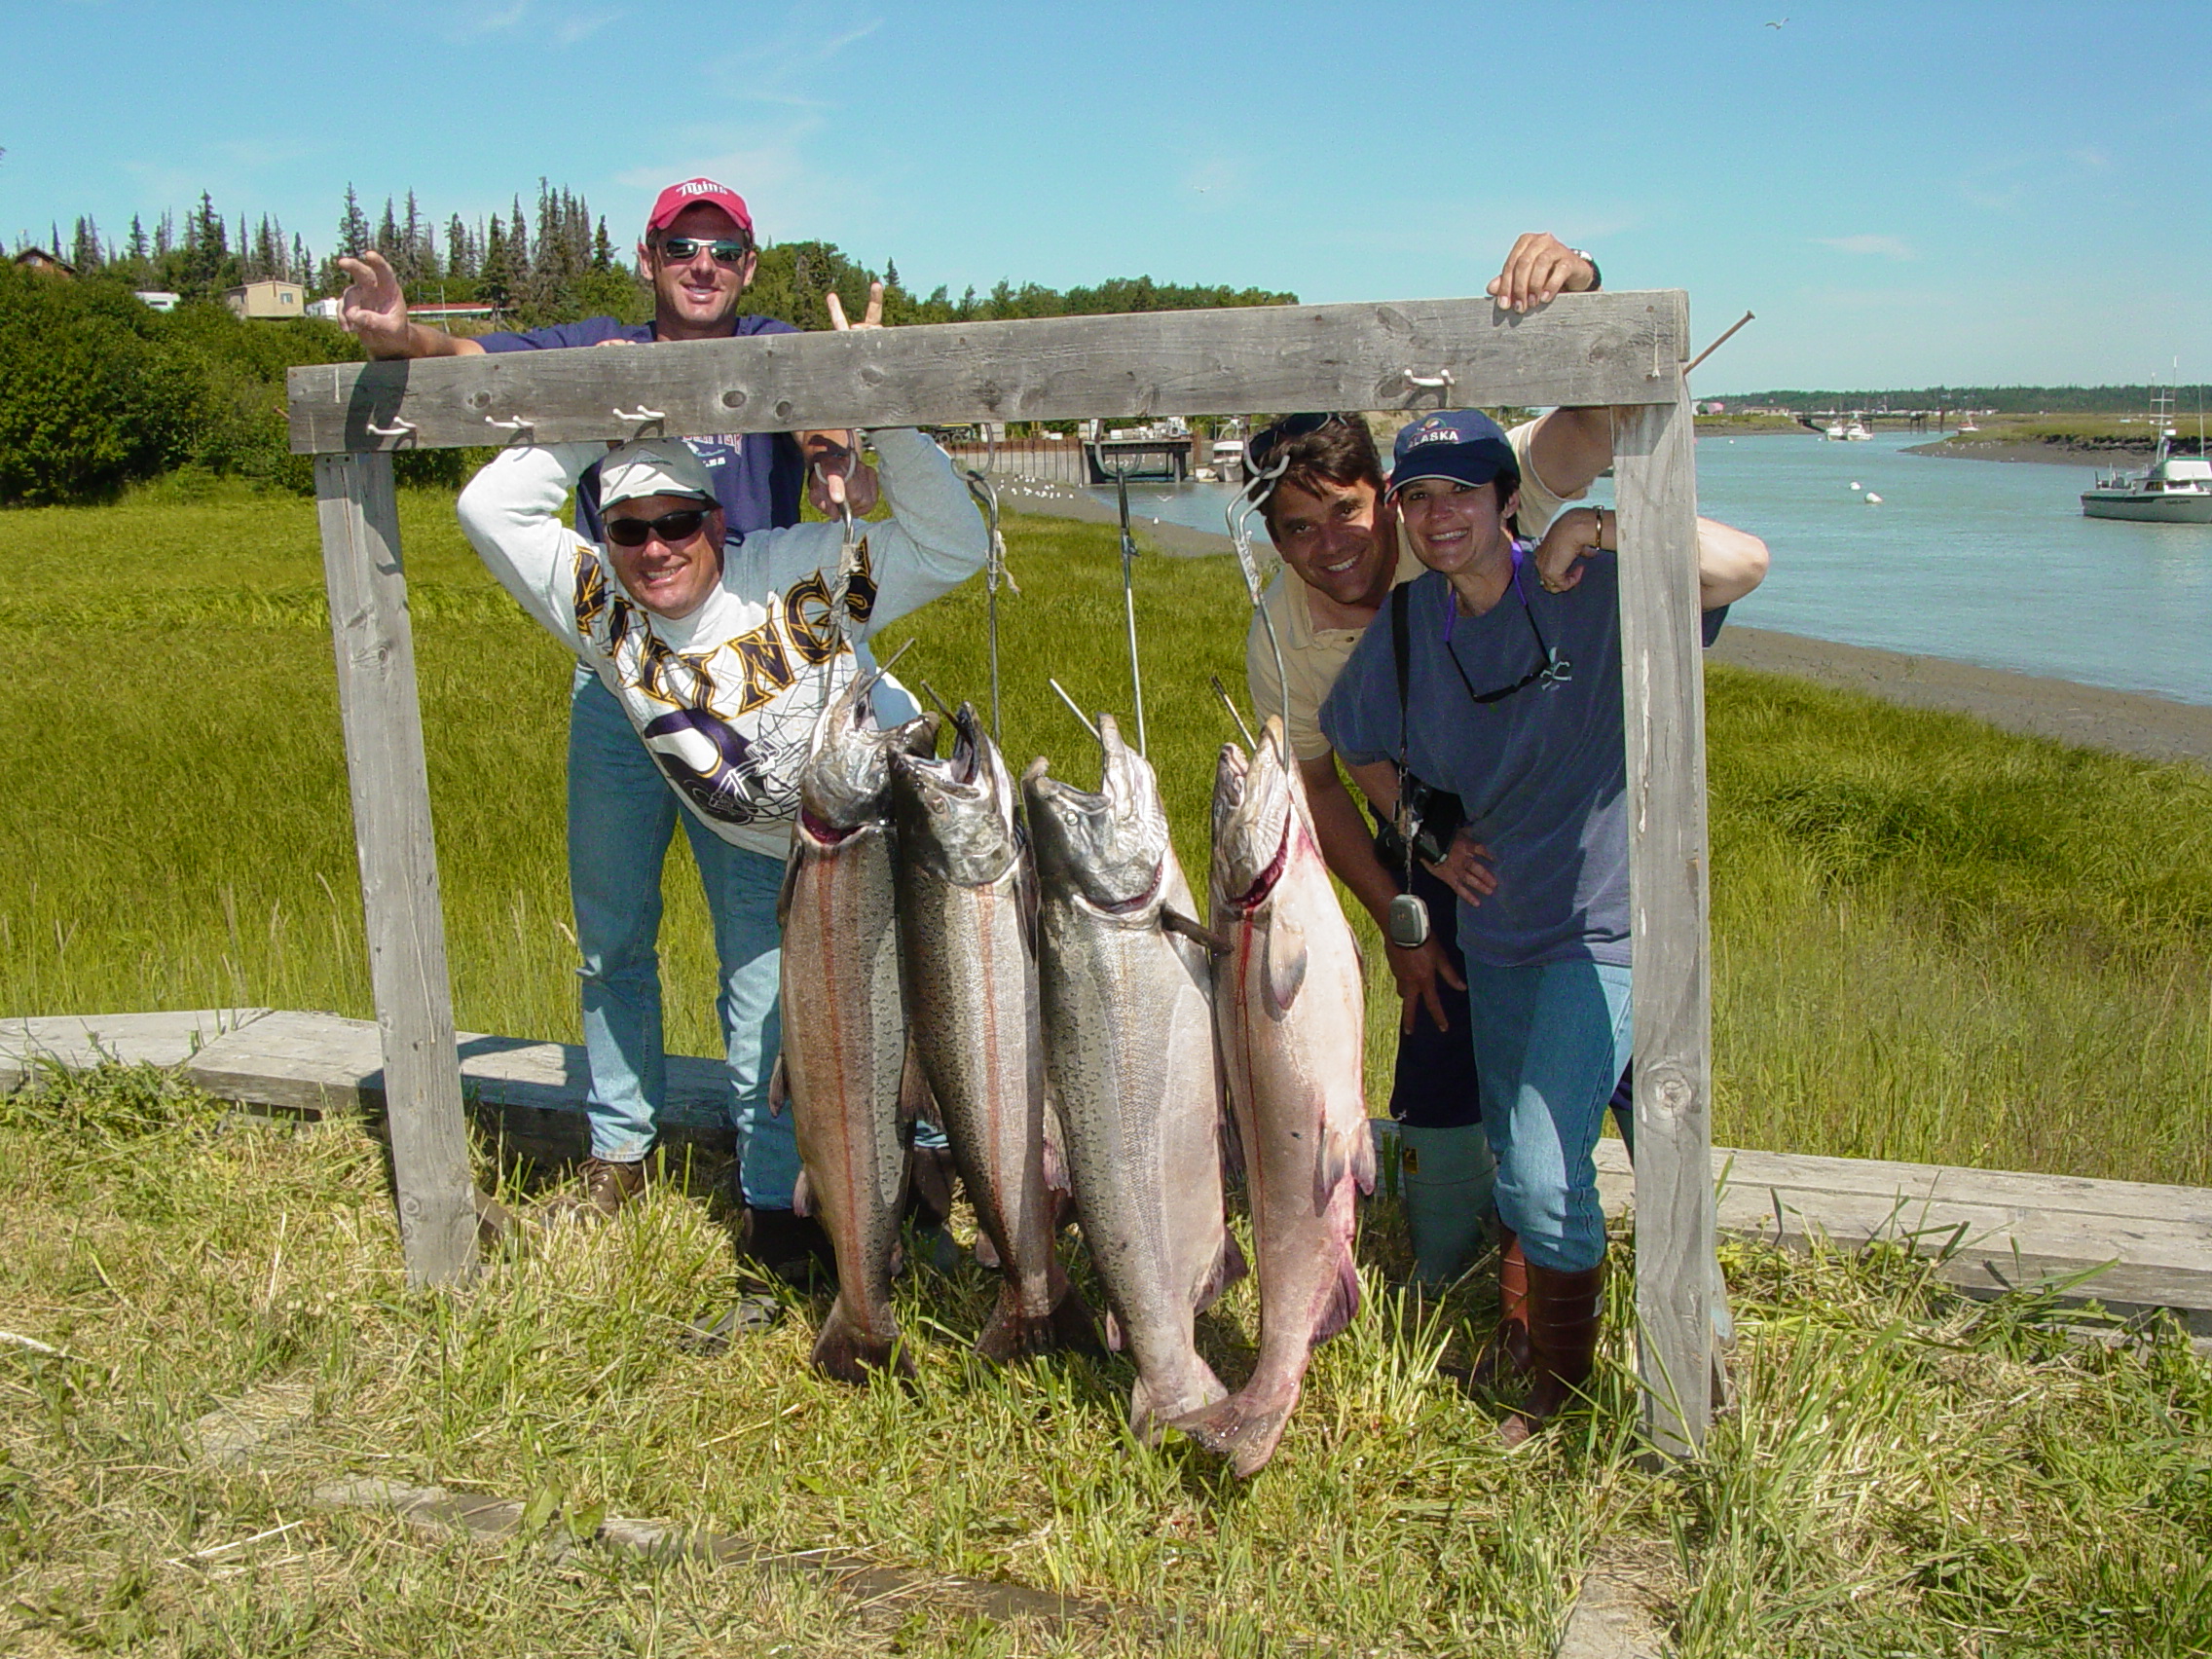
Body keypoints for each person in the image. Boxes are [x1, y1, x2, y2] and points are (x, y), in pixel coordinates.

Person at [339, 179, 878, 1257]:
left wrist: (839, 430)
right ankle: (618, 1153)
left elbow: (843, 483)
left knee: (756, 950)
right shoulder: (603, 349)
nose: (702, 264)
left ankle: (770, 1179)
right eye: (683, 245)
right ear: (648, 257)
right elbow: (485, 366)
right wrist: (408, 338)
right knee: (613, 938)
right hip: (619, 681)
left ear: (748, 267)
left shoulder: (774, 351)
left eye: (723, 249)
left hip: (752, 696)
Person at [1319, 409, 1768, 1442]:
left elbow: (1746, 564)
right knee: (1546, 1163)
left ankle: (1567, 1395)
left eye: (1461, 494)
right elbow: (1358, 747)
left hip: (1605, 929)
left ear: (1505, 499)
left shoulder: (1587, 587)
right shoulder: (1406, 630)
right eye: (1417, 498)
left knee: (1533, 1162)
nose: (1439, 517)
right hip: (1495, 938)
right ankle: (1600, 1353)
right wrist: (1427, 836)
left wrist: (1611, 527)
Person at [454, 414, 986, 1256]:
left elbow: (957, 548)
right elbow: (490, 507)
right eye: (629, 530)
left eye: (676, 523)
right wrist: (597, 416)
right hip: (759, 856)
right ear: (605, 538)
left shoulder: (796, 573)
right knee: (763, 1041)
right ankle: (781, 1231)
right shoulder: (600, 610)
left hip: (884, 842)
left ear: (712, 523)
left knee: (919, 1015)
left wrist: (884, 419)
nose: (655, 549)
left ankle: (927, 1200)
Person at [1241, 235, 1619, 1293]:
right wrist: (1404, 912)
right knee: (1443, 1043)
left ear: (1389, 492)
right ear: (1273, 540)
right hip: (1434, 842)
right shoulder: (1280, 639)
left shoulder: (1453, 516)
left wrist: (1580, 283)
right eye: (1297, 530)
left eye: (1351, 512)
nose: (1332, 547)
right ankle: (1478, 1259)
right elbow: (1321, 782)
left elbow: (1594, 422)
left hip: (1572, 838)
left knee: (1609, 1065)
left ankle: (1554, 1235)